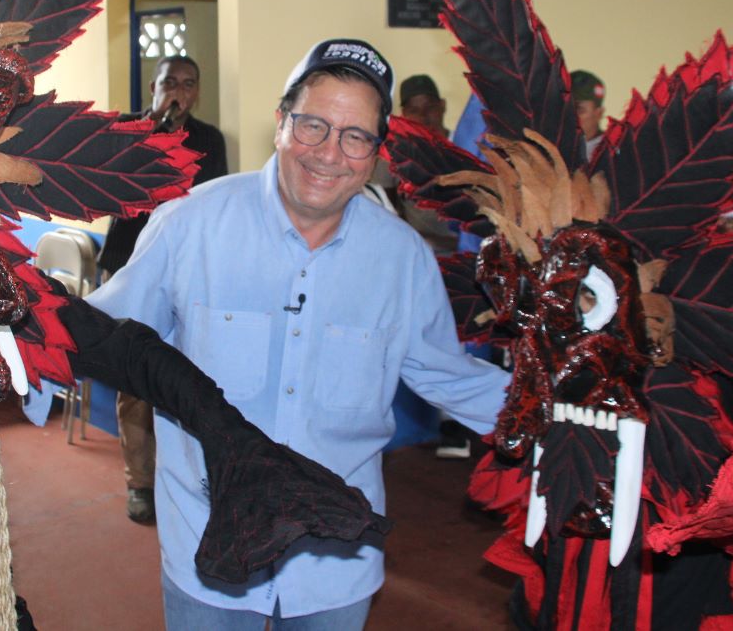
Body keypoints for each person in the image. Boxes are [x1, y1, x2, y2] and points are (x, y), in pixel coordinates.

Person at [89, 38, 509, 630]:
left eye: (355, 135)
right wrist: (2, 325)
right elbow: (99, 332)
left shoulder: (401, 258)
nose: (330, 153)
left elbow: (446, 374)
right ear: (281, 121)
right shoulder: (190, 226)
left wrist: (564, 419)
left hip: (334, 559)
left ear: (375, 151)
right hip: (207, 547)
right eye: (313, 125)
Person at [98, 54, 228, 524]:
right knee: (136, 379)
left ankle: (192, 476)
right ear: (152, 85)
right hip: (129, 265)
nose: (179, 91)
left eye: (189, 84)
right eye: (170, 82)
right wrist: (155, 128)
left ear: (197, 93)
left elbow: (209, 205)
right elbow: (113, 185)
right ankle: (140, 482)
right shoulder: (129, 130)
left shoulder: (209, 140)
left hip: (188, 269)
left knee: (188, 373)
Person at [373, 73, 458, 253]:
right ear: (403, 115)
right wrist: (413, 239)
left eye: (430, 107)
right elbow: (382, 209)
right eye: (414, 110)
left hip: (471, 255)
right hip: (423, 253)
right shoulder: (394, 155)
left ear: (442, 106)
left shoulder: (466, 147)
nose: (423, 117)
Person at [570, 69, 605, 158]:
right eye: (564, 108)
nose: (569, 115)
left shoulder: (613, 155)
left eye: (579, 109)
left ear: (599, 113)